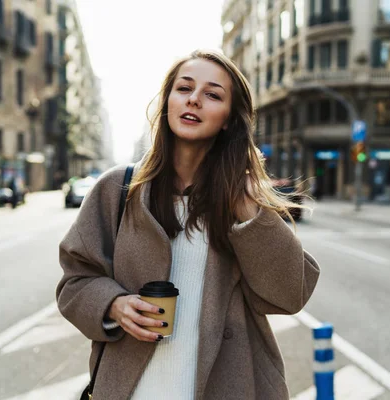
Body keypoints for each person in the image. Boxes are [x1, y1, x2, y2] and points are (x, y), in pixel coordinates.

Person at [56, 49, 320, 400]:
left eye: (212, 94)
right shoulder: (117, 189)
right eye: (184, 89)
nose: (194, 99)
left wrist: (249, 212)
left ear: (228, 118)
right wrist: (113, 305)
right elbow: (75, 282)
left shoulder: (243, 200)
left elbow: (291, 294)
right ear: (167, 102)